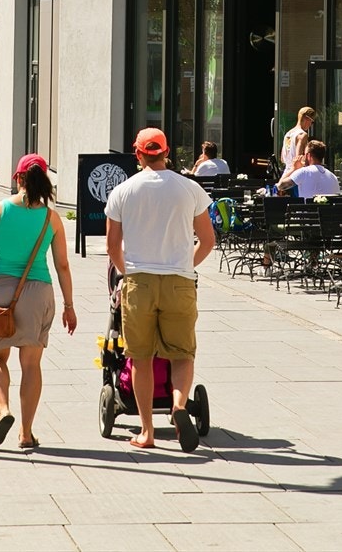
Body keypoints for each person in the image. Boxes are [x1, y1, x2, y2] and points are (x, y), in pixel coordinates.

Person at [105, 127, 215, 452]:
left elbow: (112, 247)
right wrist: (186, 265)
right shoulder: (189, 188)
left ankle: (147, 432)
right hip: (179, 279)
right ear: (166, 152)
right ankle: (179, 408)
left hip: (139, 280)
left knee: (140, 358)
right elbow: (208, 241)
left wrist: (129, 273)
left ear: (138, 154)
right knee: (182, 354)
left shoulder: (123, 191)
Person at [0, 154, 76, 450]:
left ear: (17, 179)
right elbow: (62, 265)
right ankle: (26, 433)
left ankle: (3, 410)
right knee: (31, 365)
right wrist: (69, 306)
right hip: (39, 292)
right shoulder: (51, 218)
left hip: (1, 290)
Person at [280, 106, 315, 176]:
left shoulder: (288, 134)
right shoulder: (302, 135)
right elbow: (299, 158)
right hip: (296, 175)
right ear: (306, 118)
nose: (310, 125)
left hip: (286, 173)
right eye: (312, 121)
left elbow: (282, 159)